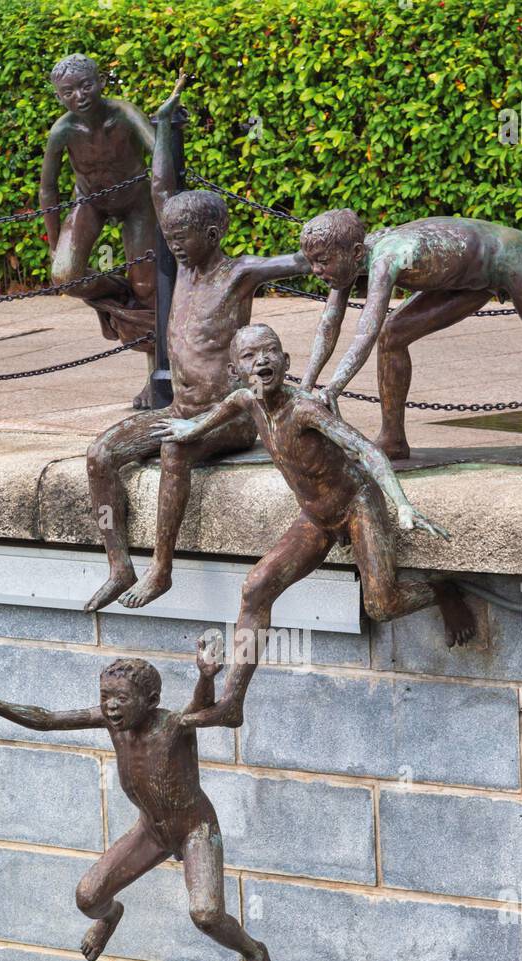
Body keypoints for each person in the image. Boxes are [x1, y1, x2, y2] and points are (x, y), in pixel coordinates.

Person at [153, 323, 474, 727]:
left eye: (270, 352)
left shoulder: (303, 409)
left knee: (382, 605)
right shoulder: (244, 401)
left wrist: (401, 503)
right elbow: (215, 416)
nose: (262, 360)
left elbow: (365, 449)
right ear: (235, 371)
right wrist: (189, 429)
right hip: (316, 517)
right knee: (256, 587)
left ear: (286, 362)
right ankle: (233, 701)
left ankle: (442, 589)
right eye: (250, 357)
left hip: (357, 504)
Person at [83, 72, 310, 613]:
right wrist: (163, 123)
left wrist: (342, 245)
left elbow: (305, 261)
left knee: (173, 448)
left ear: (211, 236)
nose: (174, 249)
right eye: (171, 239)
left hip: (229, 417)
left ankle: (162, 569)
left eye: (183, 241)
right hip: (182, 407)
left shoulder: (238, 274)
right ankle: (120, 565)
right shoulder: (183, 269)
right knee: (98, 455)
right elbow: (163, 190)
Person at [0, 640, 276, 961]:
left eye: (121, 699)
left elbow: (201, 708)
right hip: (152, 830)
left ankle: (254, 952)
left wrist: (205, 677)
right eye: (106, 697)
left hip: (195, 829)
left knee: (206, 915)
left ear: (150, 701)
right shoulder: (109, 721)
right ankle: (111, 916)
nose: (111, 706)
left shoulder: (173, 725)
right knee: (88, 897)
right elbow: (49, 720)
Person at [297, 208, 522, 462]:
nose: (316, 271)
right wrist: (305, 387)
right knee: (395, 335)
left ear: (354, 252)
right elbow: (330, 324)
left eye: (322, 262)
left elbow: (364, 333)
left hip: (506, 256)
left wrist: (331, 390)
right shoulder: (347, 262)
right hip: (461, 279)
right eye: (312, 262)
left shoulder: (388, 257)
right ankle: (393, 438)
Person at [40, 54, 157, 408]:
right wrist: (55, 240)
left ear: (101, 81)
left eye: (86, 85)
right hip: (90, 201)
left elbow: (159, 151)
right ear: (59, 97)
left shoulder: (124, 113)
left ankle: (156, 380)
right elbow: (48, 188)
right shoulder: (62, 130)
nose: (79, 95)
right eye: (68, 91)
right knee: (66, 274)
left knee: (149, 290)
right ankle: (121, 296)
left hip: (137, 201)